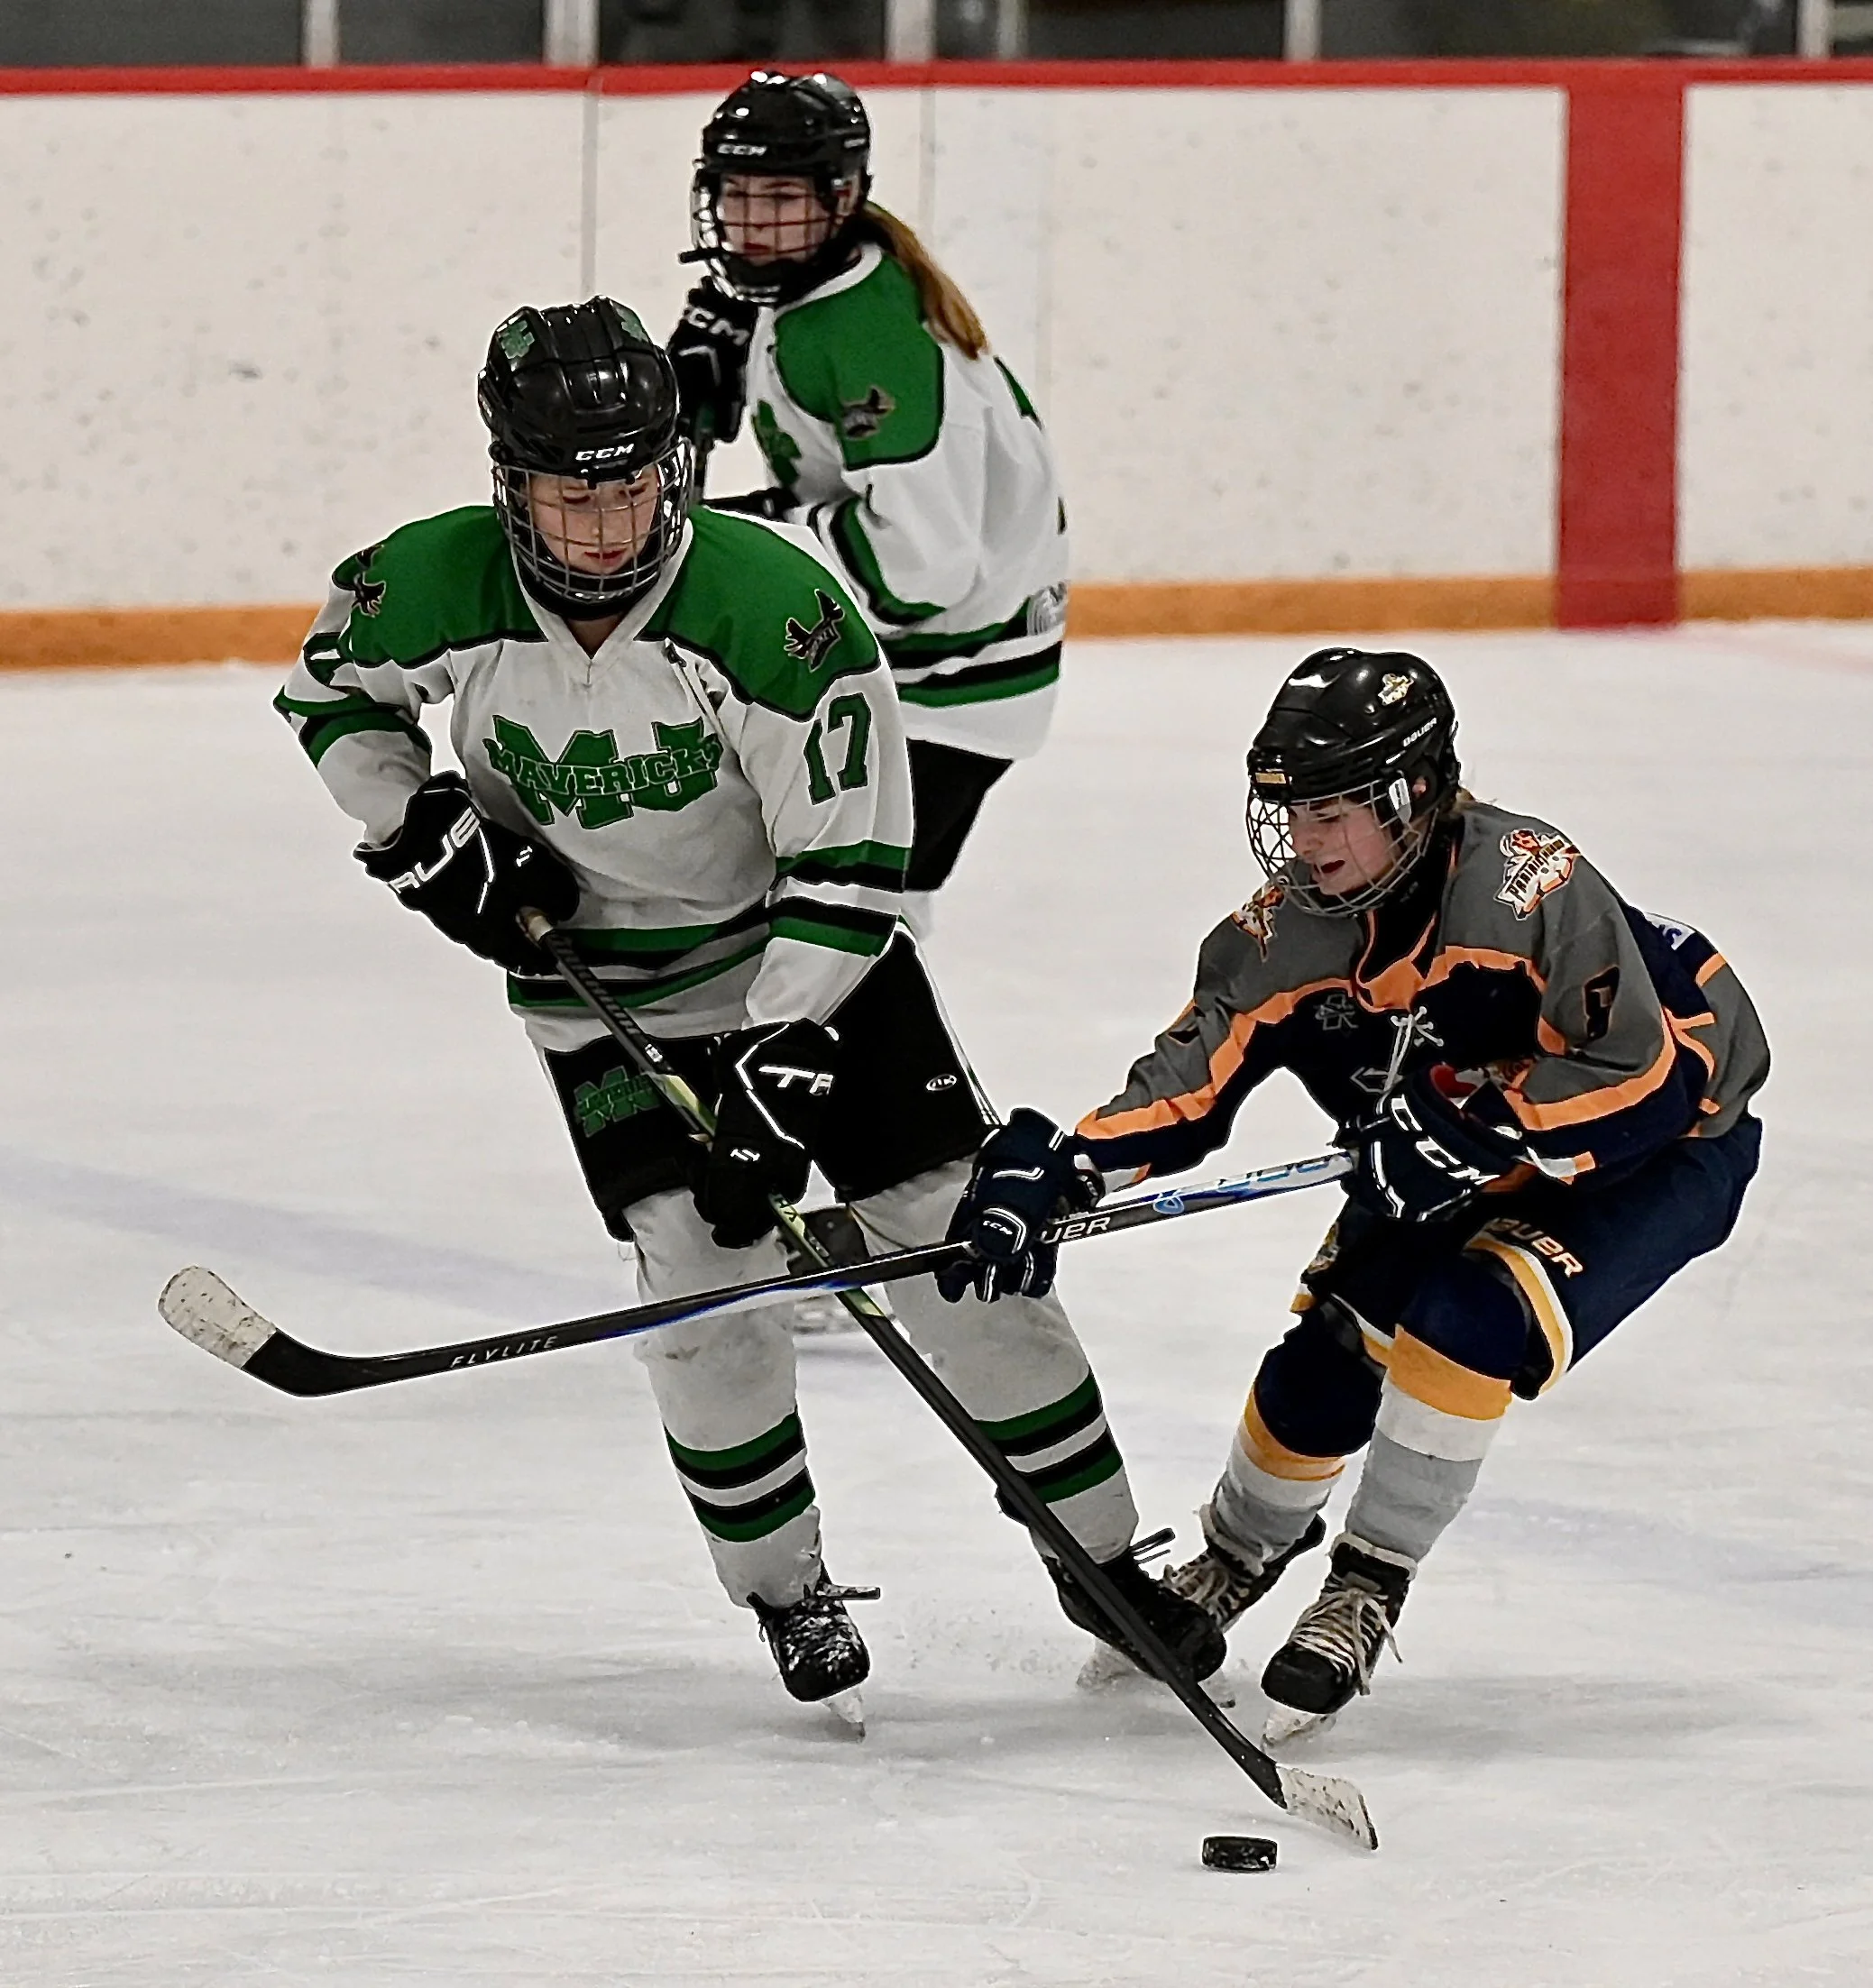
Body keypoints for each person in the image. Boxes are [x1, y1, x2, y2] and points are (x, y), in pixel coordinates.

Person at [272, 297, 1218, 1715]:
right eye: (571, 497)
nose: (608, 528)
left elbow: (849, 863)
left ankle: (1101, 1559)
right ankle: (787, 1589)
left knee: (958, 1245)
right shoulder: (433, 579)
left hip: (813, 965)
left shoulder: (772, 609)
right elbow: (330, 694)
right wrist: (416, 827)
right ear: (509, 484)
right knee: (701, 1283)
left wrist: (785, 1047)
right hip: (604, 995)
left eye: (632, 488)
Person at [941, 646, 1768, 1728]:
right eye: (1294, 812)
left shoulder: (1529, 887)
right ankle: (1233, 1558)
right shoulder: (1285, 932)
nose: (1306, 840)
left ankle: (1366, 1586)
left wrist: (1480, 1127)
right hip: (1457, 1145)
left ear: (1414, 793)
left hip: (1657, 1149)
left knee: (1465, 1315)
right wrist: (1070, 1166)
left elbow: (1645, 1082)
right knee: (1325, 1360)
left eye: (1334, 812)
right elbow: (1188, 1080)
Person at [667, 69, 1068, 940]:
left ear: (840, 196)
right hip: (933, 664)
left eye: (781, 197)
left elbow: (922, 564)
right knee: (832, 914)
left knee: (830, 921)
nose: (752, 221)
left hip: (949, 678)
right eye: (736, 194)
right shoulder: (818, 286)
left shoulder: (861, 332)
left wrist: (754, 539)